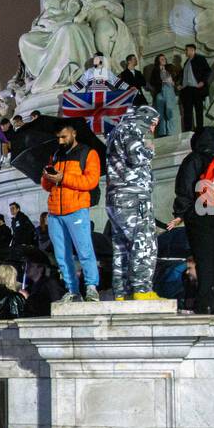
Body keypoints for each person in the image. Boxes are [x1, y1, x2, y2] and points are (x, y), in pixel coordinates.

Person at [172, 127, 214, 315]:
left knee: (203, 261)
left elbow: (184, 189)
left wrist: (182, 213)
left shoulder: (193, 160)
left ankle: (203, 304)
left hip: (200, 217)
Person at [104, 105, 161, 300]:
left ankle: (121, 292)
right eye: (154, 125)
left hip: (115, 196)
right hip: (133, 195)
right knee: (144, 241)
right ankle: (142, 290)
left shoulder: (115, 131)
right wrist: (150, 150)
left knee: (121, 246)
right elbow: (136, 157)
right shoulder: (134, 129)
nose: (153, 130)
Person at [40, 122, 101, 303]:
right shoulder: (56, 155)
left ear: (74, 133)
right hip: (54, 212)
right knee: (61, 254)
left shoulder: (88, 153)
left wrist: (63, 178)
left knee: (84, 250)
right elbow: (46, 186)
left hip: (76, 209)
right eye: (58, 137)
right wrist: (47, 176)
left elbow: (90, 181)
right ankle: (72, 290)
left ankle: (91, 287)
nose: (60, 140)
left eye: (64, 137)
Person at [179, 43, 211, 132]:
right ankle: (188, 130)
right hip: (186, 89)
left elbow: (208, 71)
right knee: (187, 111)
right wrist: (181, 85)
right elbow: (185, 76)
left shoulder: (200, 59)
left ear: (192, 50)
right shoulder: (186, 62)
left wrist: (203, 81)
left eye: (186, 50)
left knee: (198, 110)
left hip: (196, 88)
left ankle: (200, 130)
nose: (185, 51)